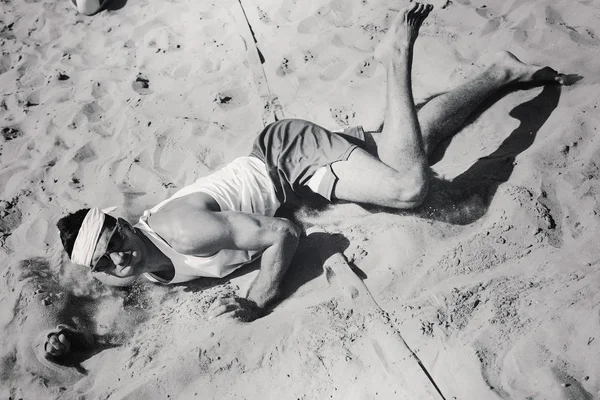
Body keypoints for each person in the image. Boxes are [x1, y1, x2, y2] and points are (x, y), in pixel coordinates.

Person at [49, 2, 568, 362]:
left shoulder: (185, 232)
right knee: (414, 146)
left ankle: (396, 59)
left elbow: (283, 235)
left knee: (409, 190)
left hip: (287, 162)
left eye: (116, 242)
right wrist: (75, 342)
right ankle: (502, 73)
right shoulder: (121, 272)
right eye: (105, 261)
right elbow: (122, 302)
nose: (120, 259)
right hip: (293, 187)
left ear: (119, 225)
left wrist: (257, 302)